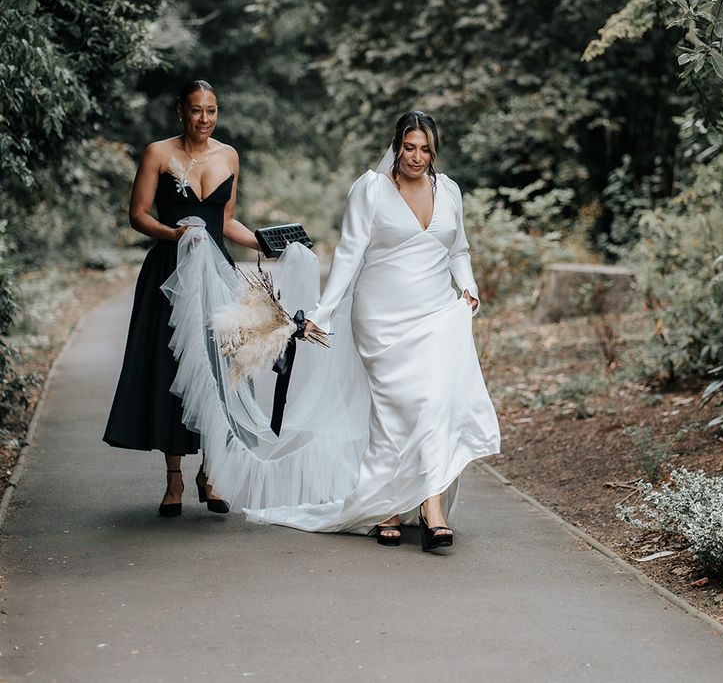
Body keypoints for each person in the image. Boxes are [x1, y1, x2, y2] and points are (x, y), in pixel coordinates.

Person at [161, 110, 500, 551]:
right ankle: (386, 507)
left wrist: (469, 287)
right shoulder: (372, 189)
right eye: (409, 147)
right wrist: (324, 310)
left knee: (434, 404)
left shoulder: (449, 190)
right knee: (394, 412)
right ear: (396, 144)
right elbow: (350, 253)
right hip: (381, 318)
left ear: (434, 151)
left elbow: (459, 249)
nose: (416, 157)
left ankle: (430, 507)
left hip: (436, 313)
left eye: (425, 149)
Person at [103, 79, 261, 517]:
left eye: (211, 110)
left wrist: (264, 244)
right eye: (196, 110)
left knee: (220, 366)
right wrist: (172, 234)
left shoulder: (229, 155)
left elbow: (225, 221)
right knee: (171, 368)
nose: (204, 119)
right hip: (169, 273)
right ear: (180, 111)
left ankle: (210, 474)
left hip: (218, 275)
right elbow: (137, 215)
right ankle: (173, 477)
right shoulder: (158, 152)